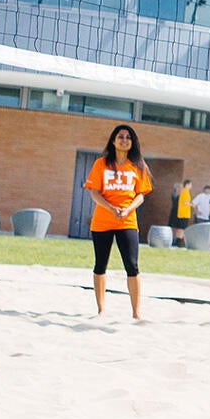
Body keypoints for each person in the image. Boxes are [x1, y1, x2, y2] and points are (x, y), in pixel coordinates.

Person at [84, 124, 152, 319]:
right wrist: (111, 208)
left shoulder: (138, 165)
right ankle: (101, 309)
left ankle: (136, 313)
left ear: (133, 143)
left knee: (132, 266)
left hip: (127, 221)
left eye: (128, 137)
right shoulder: (101, 164)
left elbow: (140, 195)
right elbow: (94, 193)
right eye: (120, 137)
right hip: (103, 220)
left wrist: (127, 209)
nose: (124, 140)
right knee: (100, 264)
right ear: (113, 141)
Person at [170, 179, 194, 247]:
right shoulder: (185, 192)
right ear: (187, 185)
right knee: (181, 229)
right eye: (190, 185)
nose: (191, 186)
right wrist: (192, 205)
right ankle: (178, 242)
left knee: (179, 228)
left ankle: (177, 241)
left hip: (182, 214)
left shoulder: (183, 192)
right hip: (183, 214)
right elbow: (185, 202)